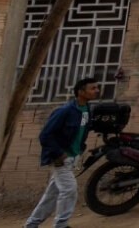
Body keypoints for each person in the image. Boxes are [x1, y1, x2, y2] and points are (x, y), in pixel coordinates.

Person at [25, 77, 99, 228]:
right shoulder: (65, 111)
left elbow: (83, 131)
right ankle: (61, 225)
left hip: (73, 157)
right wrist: (58, 154)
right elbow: (45, 135)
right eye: (93, 88)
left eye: (97, 88)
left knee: (52, 194)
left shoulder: (87, 110)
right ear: (81, 92)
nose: (97, 91)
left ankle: (31, 224)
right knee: (69, 190)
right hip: (61, 158)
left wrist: (80, 149)